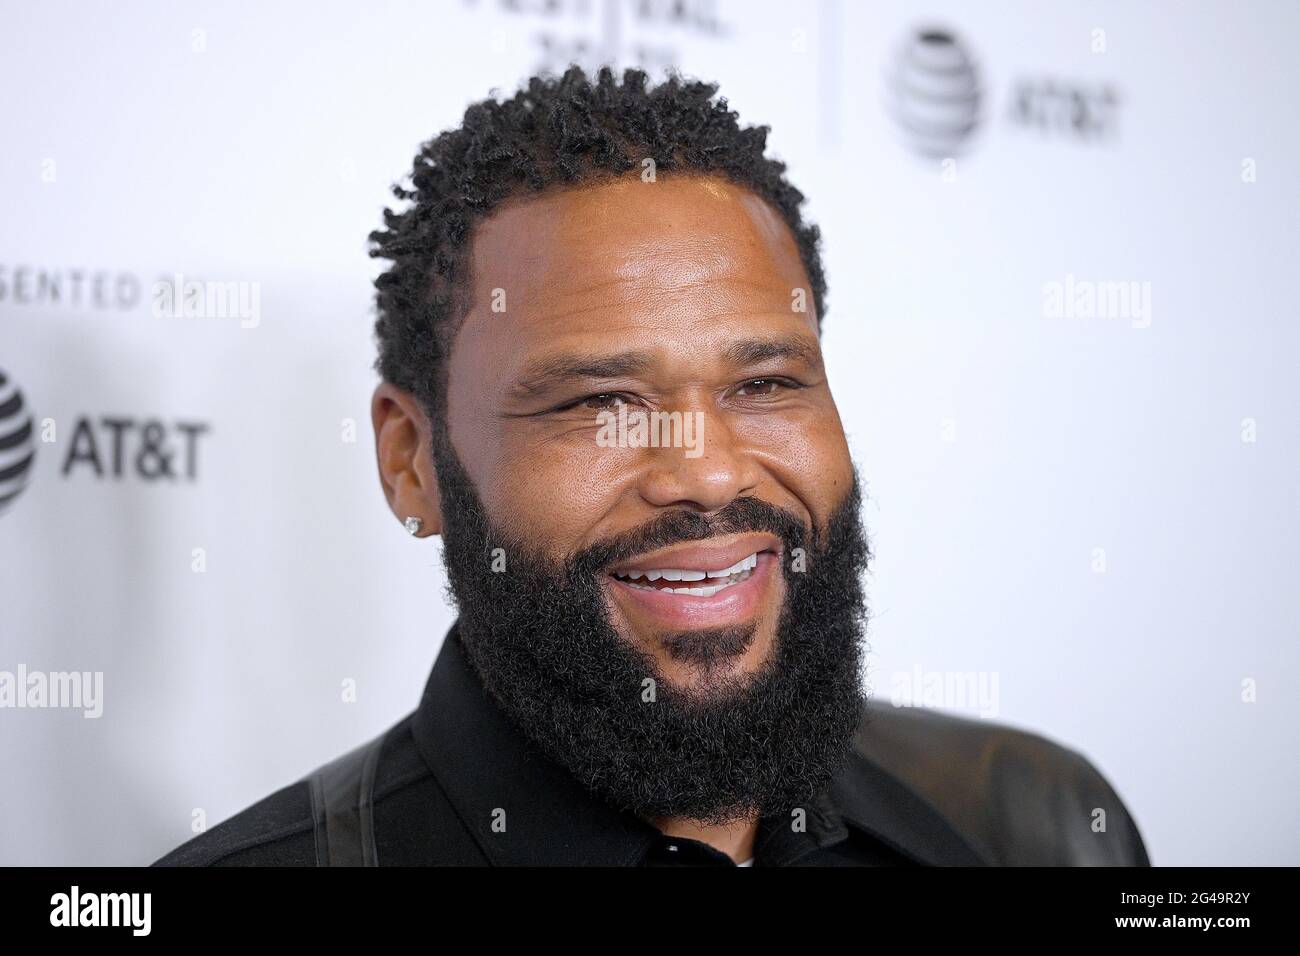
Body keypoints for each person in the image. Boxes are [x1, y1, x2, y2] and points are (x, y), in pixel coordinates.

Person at [155, 66, 1148, 867]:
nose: (710, 474)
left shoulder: (1026, 824)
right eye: (600, 404)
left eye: (764, 383)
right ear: (412, 462)